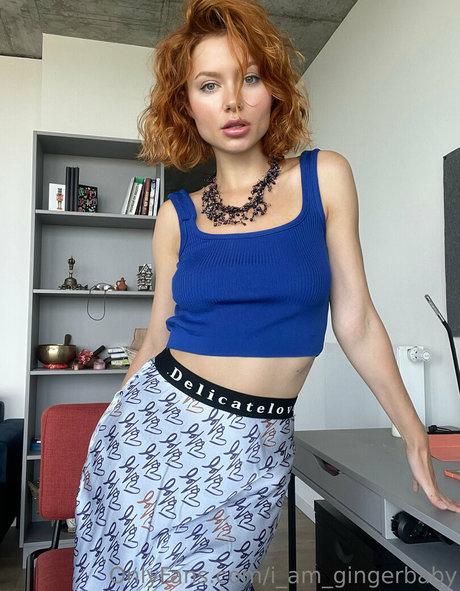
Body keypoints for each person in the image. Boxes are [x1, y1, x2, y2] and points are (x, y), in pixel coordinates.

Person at [73, 0, 460, 590]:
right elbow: (156, 338)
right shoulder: (176, 217)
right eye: (209, 85)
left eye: (249, 78)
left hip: (257, 447)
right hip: (152, 435)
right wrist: (110, 423)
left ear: (274, 90)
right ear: (187, 104)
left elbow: (355, 321)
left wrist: (413, 431)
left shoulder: (324, 177)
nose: (232, 101)